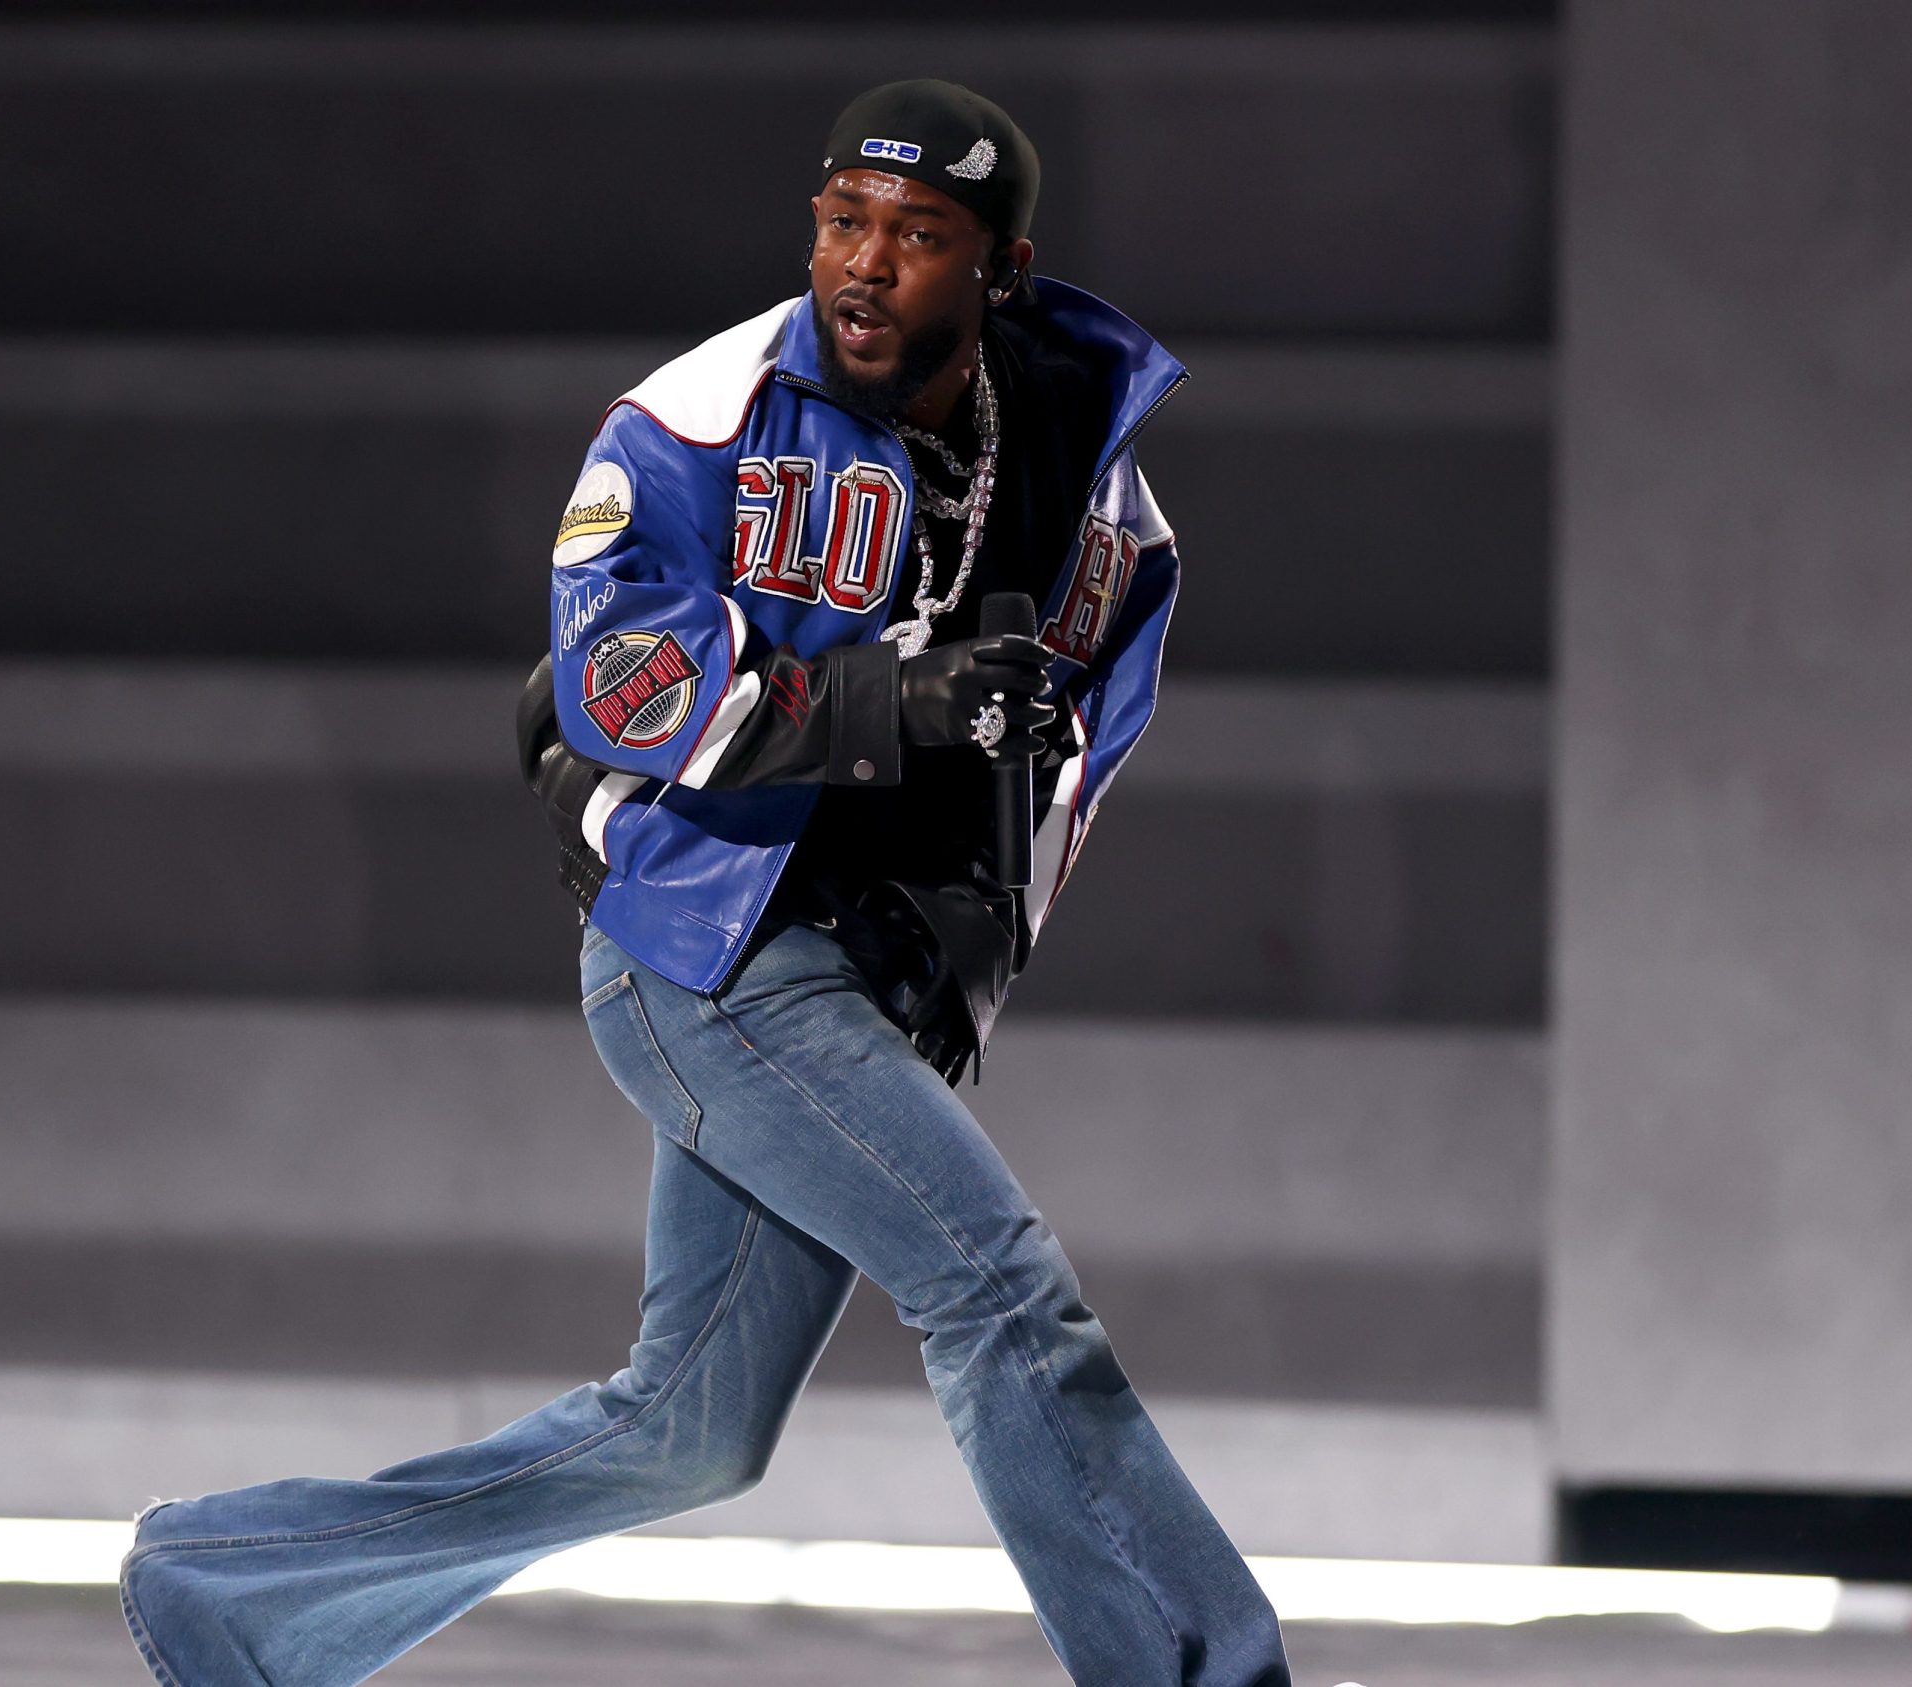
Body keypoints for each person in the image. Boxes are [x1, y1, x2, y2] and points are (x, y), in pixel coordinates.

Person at [117, 80, 1292, 1687]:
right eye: (841, 222)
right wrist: (911, 702)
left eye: (917, 236)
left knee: (687, 1433)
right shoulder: (694, 418)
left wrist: (967, 976)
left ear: (999, 271)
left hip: (865, 980)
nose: (865, 265)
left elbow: (1074, 775)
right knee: (1003, 1295)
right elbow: (618, 689)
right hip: (712, 954)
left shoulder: (1100, 497)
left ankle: (224, 1585)